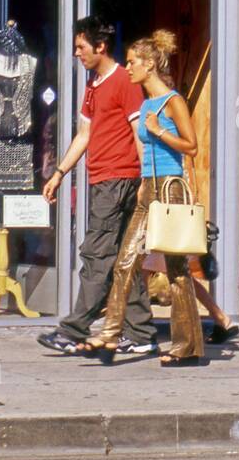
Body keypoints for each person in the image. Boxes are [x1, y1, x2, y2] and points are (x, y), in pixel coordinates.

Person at [80, 30, 205, 366]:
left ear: (149, 65)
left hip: (170, 187)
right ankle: (109, 333)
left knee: (177, 269)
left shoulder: (171, 102)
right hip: (148, 187)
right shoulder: (147, 103)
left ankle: (187, 345)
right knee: (125, 262)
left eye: (134, 62)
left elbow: (192, 147)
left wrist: (161, 131)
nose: (129, 67)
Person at [37, 17, 156, 358]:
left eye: (81, 47)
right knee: (123, 257)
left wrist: (147, 178)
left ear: (100, 46)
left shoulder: (124, 81)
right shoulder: (94, 84)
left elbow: (138, 133)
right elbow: (84, 135)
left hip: (118, 180)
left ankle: (73, 330)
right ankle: (143, 332)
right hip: (103, 179)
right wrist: (59, 173)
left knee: (96, 255)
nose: (76, 53)